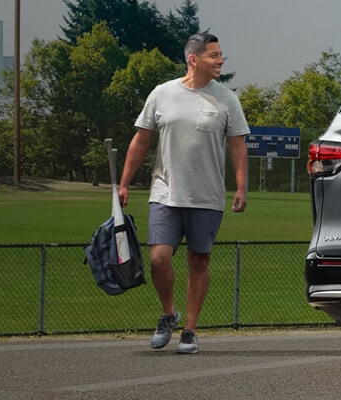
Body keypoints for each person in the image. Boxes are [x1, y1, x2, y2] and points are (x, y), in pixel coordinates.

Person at [118, 33, 249, 354]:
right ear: (194, 59)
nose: (220, 61)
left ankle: (189, 330)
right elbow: (141, 140)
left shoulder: (227, 99)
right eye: (214, 55)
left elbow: (238, 145)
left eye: (221, 55)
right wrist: (123, 182)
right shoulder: (162, 94)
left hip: (207, 196)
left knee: (199, 261)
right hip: (165, 193)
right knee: (158, 259)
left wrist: (241, 187)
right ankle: (168, 314)